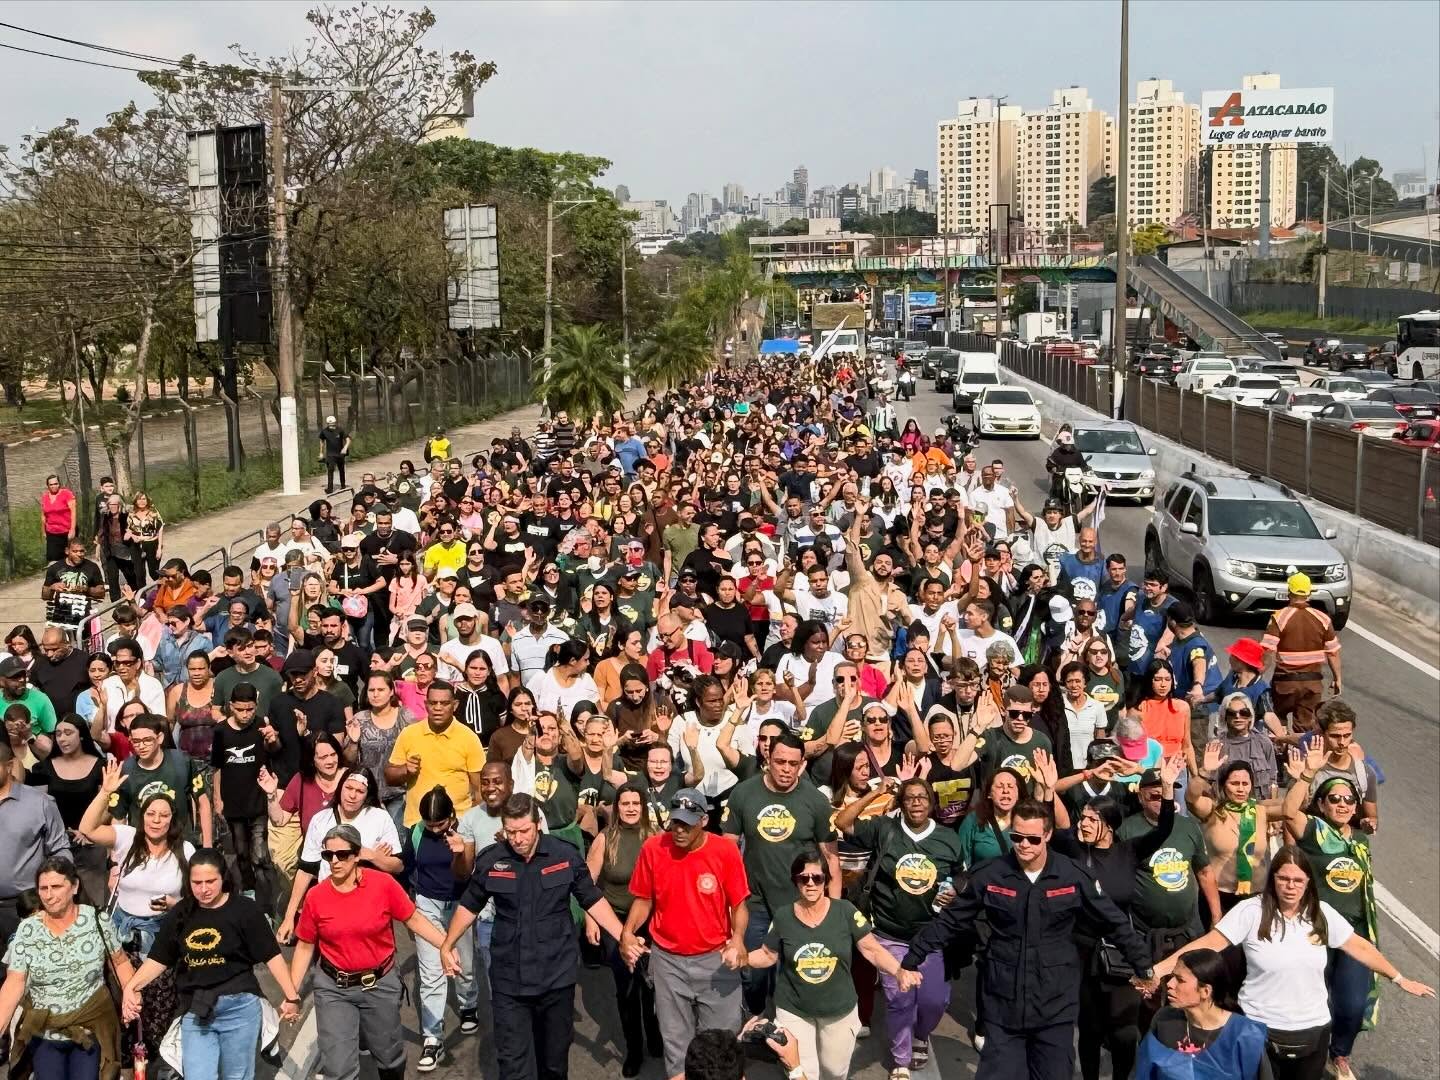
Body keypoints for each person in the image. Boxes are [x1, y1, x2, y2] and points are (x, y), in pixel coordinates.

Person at [900, 798, 1155, 1080]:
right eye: (1017, 837)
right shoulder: (991, 875)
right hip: (1002, 1002)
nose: (1024, 845)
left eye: (1033, 839)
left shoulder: (1072, 875)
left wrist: (1144, 966)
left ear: (1047, 835)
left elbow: (1114, 921)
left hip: (1054, 1004)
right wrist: (912, 958)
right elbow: (951, 920)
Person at [1154, 846, 1434, 1080]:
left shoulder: (1321, 914)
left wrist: (1399, 978)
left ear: (1308, 882)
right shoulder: (1251, 912)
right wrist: (1159, 969)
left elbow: (1359, 946)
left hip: (1313, 1030)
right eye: (1283, 878)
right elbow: (1210, 943)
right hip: (1258, 1029)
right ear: (1273, 879)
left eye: (1298, 880)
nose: (1290, 886)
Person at [441, 794, 629, 1080]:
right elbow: (469, 904)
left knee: (553, 1064)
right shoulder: (493, 859)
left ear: (538, 825)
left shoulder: (563, 855)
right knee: (514, 1066)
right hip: (509, 982)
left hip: (556, 978)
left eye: (524, 831)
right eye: (511, 832)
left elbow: (591, 898)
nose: (517, 839)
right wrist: (447, 944)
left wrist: (623, 936)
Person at [1048, 752, 1184, 1080]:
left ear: (1108, 825)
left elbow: (1164, 827)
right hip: (1081, 952)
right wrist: (1048, 789)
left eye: (1092, 819)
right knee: (1090, 1031)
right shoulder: (1074, 849)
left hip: (1121, 951)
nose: (1084, 823)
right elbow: (1052, 821)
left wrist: (1167, 788)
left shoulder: (1129, 851)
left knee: (1124, 1033)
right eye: (1083, 818)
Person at [289, 823, 451, 1080]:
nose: (335, 861)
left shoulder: (383, 885)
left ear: (356, 856)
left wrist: (446, 946)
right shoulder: (316, 896)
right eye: (328, 855)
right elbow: (305, 945)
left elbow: (414, 919)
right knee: (338, 1067)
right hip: (333, 988)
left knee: (389, 1057)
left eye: (342, 854)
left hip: (380, 984)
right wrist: (291, 993)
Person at [745, 849, 917, 1080]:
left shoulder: (845, 911)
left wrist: (898, 970)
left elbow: (872, 949)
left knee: (835, 1071)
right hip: (794, 1008)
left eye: (817, 878)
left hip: (838, 1009)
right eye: (803, 878)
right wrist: (741, 958)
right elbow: (767, 955)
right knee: (804, 1073)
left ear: (826, 880)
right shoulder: (784, 916)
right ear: (795, 881)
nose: (811, 883)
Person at [836, 776, 964, 1077]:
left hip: (931, 935)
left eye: (922, 797)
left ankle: (921, 1033)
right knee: (899, 998)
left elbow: (961, 874)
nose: (916, 803)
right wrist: (876, 793)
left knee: (935, 1000)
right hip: (889, 933)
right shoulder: (884, 829)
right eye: (909, 797)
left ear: (931, 803)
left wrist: (956, 889)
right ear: (901, 803)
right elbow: (843, 821)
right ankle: (901, 1061)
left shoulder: (948, 838)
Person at [620, 787, 750, 1080]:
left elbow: (739, 904)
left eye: (686, 824)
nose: (678, 830)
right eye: (674, 822)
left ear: (704, 821)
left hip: (716, 961)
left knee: (723, 1047)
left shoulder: (725, 851)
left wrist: (738, 939)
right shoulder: (654, 848)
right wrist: (627, 932)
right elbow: (643, 899)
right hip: (668, 963)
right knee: (677, 1047)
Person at [1278, 744, 1381, 1079]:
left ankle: (1340, 1054)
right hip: (1315, 932)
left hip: (1354, 933)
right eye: (1334, 799)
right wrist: (1307, 773)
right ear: (1321, 804)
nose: (1342, 804)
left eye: (1348, 799)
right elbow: (1288, 810)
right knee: (1315, 1001)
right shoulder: (1313, 833)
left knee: (1351, 1004)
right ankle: (1315, 1053)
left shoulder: (1361, 839)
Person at [722, 731, 840, 1017]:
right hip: (755, 903)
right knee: (753, 974)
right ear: (767, 758)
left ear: (802, 764)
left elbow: (831, 859)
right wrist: (728, 903)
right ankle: (756, 1017)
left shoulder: (815, 801)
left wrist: (834, 911)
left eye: (793, 763)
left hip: (800, 904)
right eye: (780, 762)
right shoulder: (744, 793)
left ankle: (785, 1032)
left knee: (795, 973)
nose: (786, 769)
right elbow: (726, 852)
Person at [0, 856, 132, 1080]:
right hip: (45, 1034)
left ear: (74, 886)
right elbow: (14, 982)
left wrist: (130, 992)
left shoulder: (97, 921)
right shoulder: (27, 930)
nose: (49, 895)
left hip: (90, 1031)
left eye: (56, 887)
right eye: (43, 888)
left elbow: (120, 962)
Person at [585, 782, 661, 1076]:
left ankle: (654, 1034)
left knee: (652, 984)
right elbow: (587, 882)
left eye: (635, 803)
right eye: (625, 803)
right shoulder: (606, 838)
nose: (630, 808)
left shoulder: (654, 837)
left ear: (643, 807)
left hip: (650, 922)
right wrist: (591, 919)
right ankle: (633, 1048)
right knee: (627, 987)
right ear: (617, 808)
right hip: (615, 922)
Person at [401, 786, 480, 1072]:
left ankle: (468, 1002)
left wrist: (460, 852)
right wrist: (408, 906)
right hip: (427, 905)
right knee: (431, 971)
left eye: (440, 824)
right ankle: (432, 1037)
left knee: (465, 963)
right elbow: (406, 868)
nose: (434, 830)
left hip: (461, 905)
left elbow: (467, 873)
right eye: (429, 825)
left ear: (452, 816)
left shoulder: (464, 833)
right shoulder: (417, 833)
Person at [1134, 947, 1271, 1079]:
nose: (1170, 983)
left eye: (1180, 980)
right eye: (1172, 977)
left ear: (1205, 991)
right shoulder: (1164, 1020)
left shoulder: (1245, 1035)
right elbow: (1143, 1072)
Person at [385, 680, 486, 827]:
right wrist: (405, 770)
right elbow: (389, 776)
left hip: (457, 823)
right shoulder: (409, 734)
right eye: (433, 703)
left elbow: (479, 790)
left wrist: (471, 827)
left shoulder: (469, 738)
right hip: (416, 823)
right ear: (426, 705)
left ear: (455, 705)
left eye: (444, 703)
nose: (438, 708)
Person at [1262, 573, 1341, 736]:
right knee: (1305, 728)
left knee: (1278, 723)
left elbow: (1268, 650)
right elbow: (1333, 653)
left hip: (1285, 684)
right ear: (1309, 593)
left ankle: (1279, 754)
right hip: (1312, 686)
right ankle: (1300, 756)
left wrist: (1256, 673)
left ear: (1289, 592)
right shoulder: (1323, 619)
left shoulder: (1279, 617)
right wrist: (1337, 679)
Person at [41, 474, 77, 564]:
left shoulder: (66, 494)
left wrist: (72, 529)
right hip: (52, 532)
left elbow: (73, 512)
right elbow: (43, 516)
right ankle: (56, 577)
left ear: (59, 484)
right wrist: (43, 531)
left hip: (66, 531)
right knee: (53, 560)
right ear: (48, 486)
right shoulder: (45, 497)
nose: (54, 486)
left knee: (70, 558)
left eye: (56, 484)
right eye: (51, 484)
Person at [320, 415, 352, 494]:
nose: (331, 426)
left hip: (340, 454)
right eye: (329, 424)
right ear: (327, 424)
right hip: (330, 454)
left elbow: (348, 440)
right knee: (330, 469)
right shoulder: (324, 432)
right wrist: (321, 452)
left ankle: (343, 485)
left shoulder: (340, 430)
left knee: (341, 469)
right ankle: (330, 488)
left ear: (335, 423)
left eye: (333, 424)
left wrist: (345, 448)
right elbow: (321, 442)